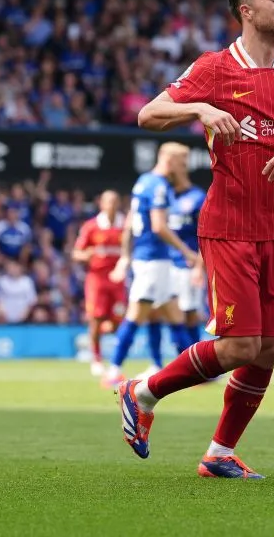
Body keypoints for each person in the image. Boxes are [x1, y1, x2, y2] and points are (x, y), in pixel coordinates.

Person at [121, 0, 274, 478]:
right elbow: (148, 114)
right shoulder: (216, 67)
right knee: (241, 345)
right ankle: (142, 391)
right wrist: (199, 108)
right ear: (247, 10)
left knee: (270, 349)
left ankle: (219, 453)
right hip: (229, 224)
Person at [103, 143, 194, 388]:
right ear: (170, 160)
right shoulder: (159, 186)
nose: (183, 168)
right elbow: (158, 226)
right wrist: (187, 252)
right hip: (153, 260)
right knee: (137, 315)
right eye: (182, 163)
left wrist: (125, 256)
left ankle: (187, 370)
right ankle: (113, 370)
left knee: (170, 312)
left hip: (150, 260)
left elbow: (130, 223)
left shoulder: (143, 181)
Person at [71, 190, 125, 377]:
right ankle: (96, 359)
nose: (112, 204)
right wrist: (86, 254)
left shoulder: (125, 225)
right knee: (95, 319)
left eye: (115, 201)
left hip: (118, 280)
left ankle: (98, 334)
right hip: (97, 280)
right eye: (108, 201)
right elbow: (76, 253)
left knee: (119, 321)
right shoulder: (91, 226)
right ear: (101, 204)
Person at [167, 156, 207, 350]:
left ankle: (195, 363)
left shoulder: (197, 197)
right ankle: (180, 363)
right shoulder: (165, 196)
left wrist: (200, 266)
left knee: (189, 314)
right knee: (170, 314)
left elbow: (205, 234)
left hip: (187, 266)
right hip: (165, 265)